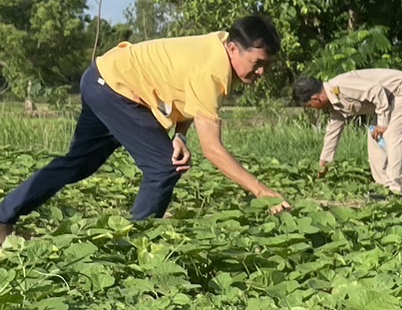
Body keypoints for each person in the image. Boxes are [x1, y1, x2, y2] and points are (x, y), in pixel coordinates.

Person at [0, 14, 289, 245]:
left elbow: (187, 95)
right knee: (164, 166)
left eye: (267, 65)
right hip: (114, 89)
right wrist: (261, 191)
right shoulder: (212, 70)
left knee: (78, 163)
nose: (261, 72)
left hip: (103, 78)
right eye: (257, 63)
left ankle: (3, 217)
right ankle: (134, 247)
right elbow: (212, 149)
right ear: (233, 48)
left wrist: (180, 135)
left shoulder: (221, 46)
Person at [294, 68, 402, 197]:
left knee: (391, 135)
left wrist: (382, 124)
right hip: (391, 99)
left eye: (310, 106)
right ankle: (384, 185)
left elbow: (376, 91)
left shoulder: (342, 86)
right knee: (374, 135)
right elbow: (333, 133)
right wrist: (325, 161)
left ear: (316, 98)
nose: (313, 109)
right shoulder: (334, 102)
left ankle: (396, 190)